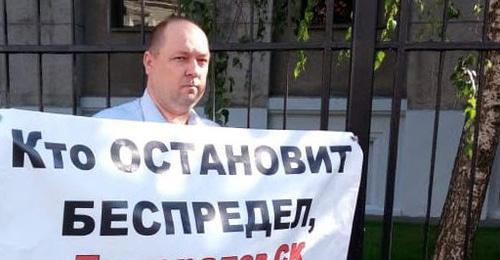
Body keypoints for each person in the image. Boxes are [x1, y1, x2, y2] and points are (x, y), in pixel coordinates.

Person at [94, 16, 218, 126]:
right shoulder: (107, 128)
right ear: (149, 63)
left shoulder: (216, 139)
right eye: (180, 58)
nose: (194, 70)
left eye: (202, 60)